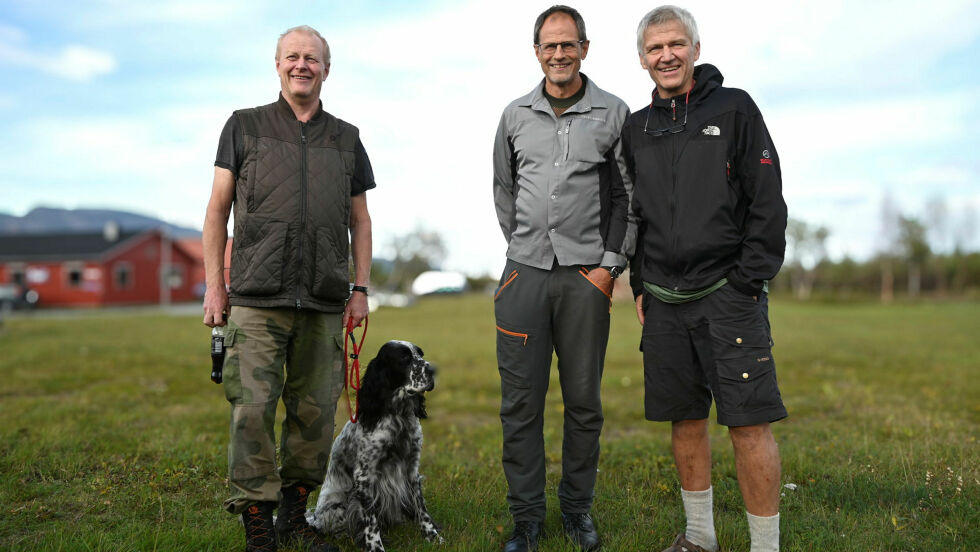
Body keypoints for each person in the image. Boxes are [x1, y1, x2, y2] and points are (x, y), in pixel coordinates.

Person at [202, 25, 374, 552]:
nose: (303, 65)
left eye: (313, 58)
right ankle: (257, 518)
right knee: (251, 409)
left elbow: (360, 221)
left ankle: (295, 516)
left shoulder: (346, 137)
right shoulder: (244, 126)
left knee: (316, 415)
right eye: (293, 57)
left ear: (327, 68)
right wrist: (216, 286)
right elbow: (216, 211)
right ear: (277, 64)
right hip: (256, 297)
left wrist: (359, 287)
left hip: (324, 299)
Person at [622, 6, 788, 552]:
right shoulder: (637, 127)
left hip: (728, 296)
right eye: (654, 48)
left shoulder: (734, 108)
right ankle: (700, 538)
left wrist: (747, 281)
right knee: (685, 421)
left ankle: (765, 546)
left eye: (675, 44)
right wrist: (642, 284)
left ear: (694, 48)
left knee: (748, 424)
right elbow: (636, 213)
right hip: (666, 302)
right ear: (642, 58)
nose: (665, 55)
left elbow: (767, 203)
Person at [492, 5, 635, 552]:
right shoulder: (513, 115)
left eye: (568, 44)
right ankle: (526, 520)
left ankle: (577, 511)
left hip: (586, 280)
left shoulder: (613, 112)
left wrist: (608, 266)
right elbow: (504, 191)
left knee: (584, 403)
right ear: (536, 52)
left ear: (585, 48)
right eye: (549, 45)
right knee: (520, 405)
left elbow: (627, 196)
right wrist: (522, 247)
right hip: (523, 276)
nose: (559, 54)